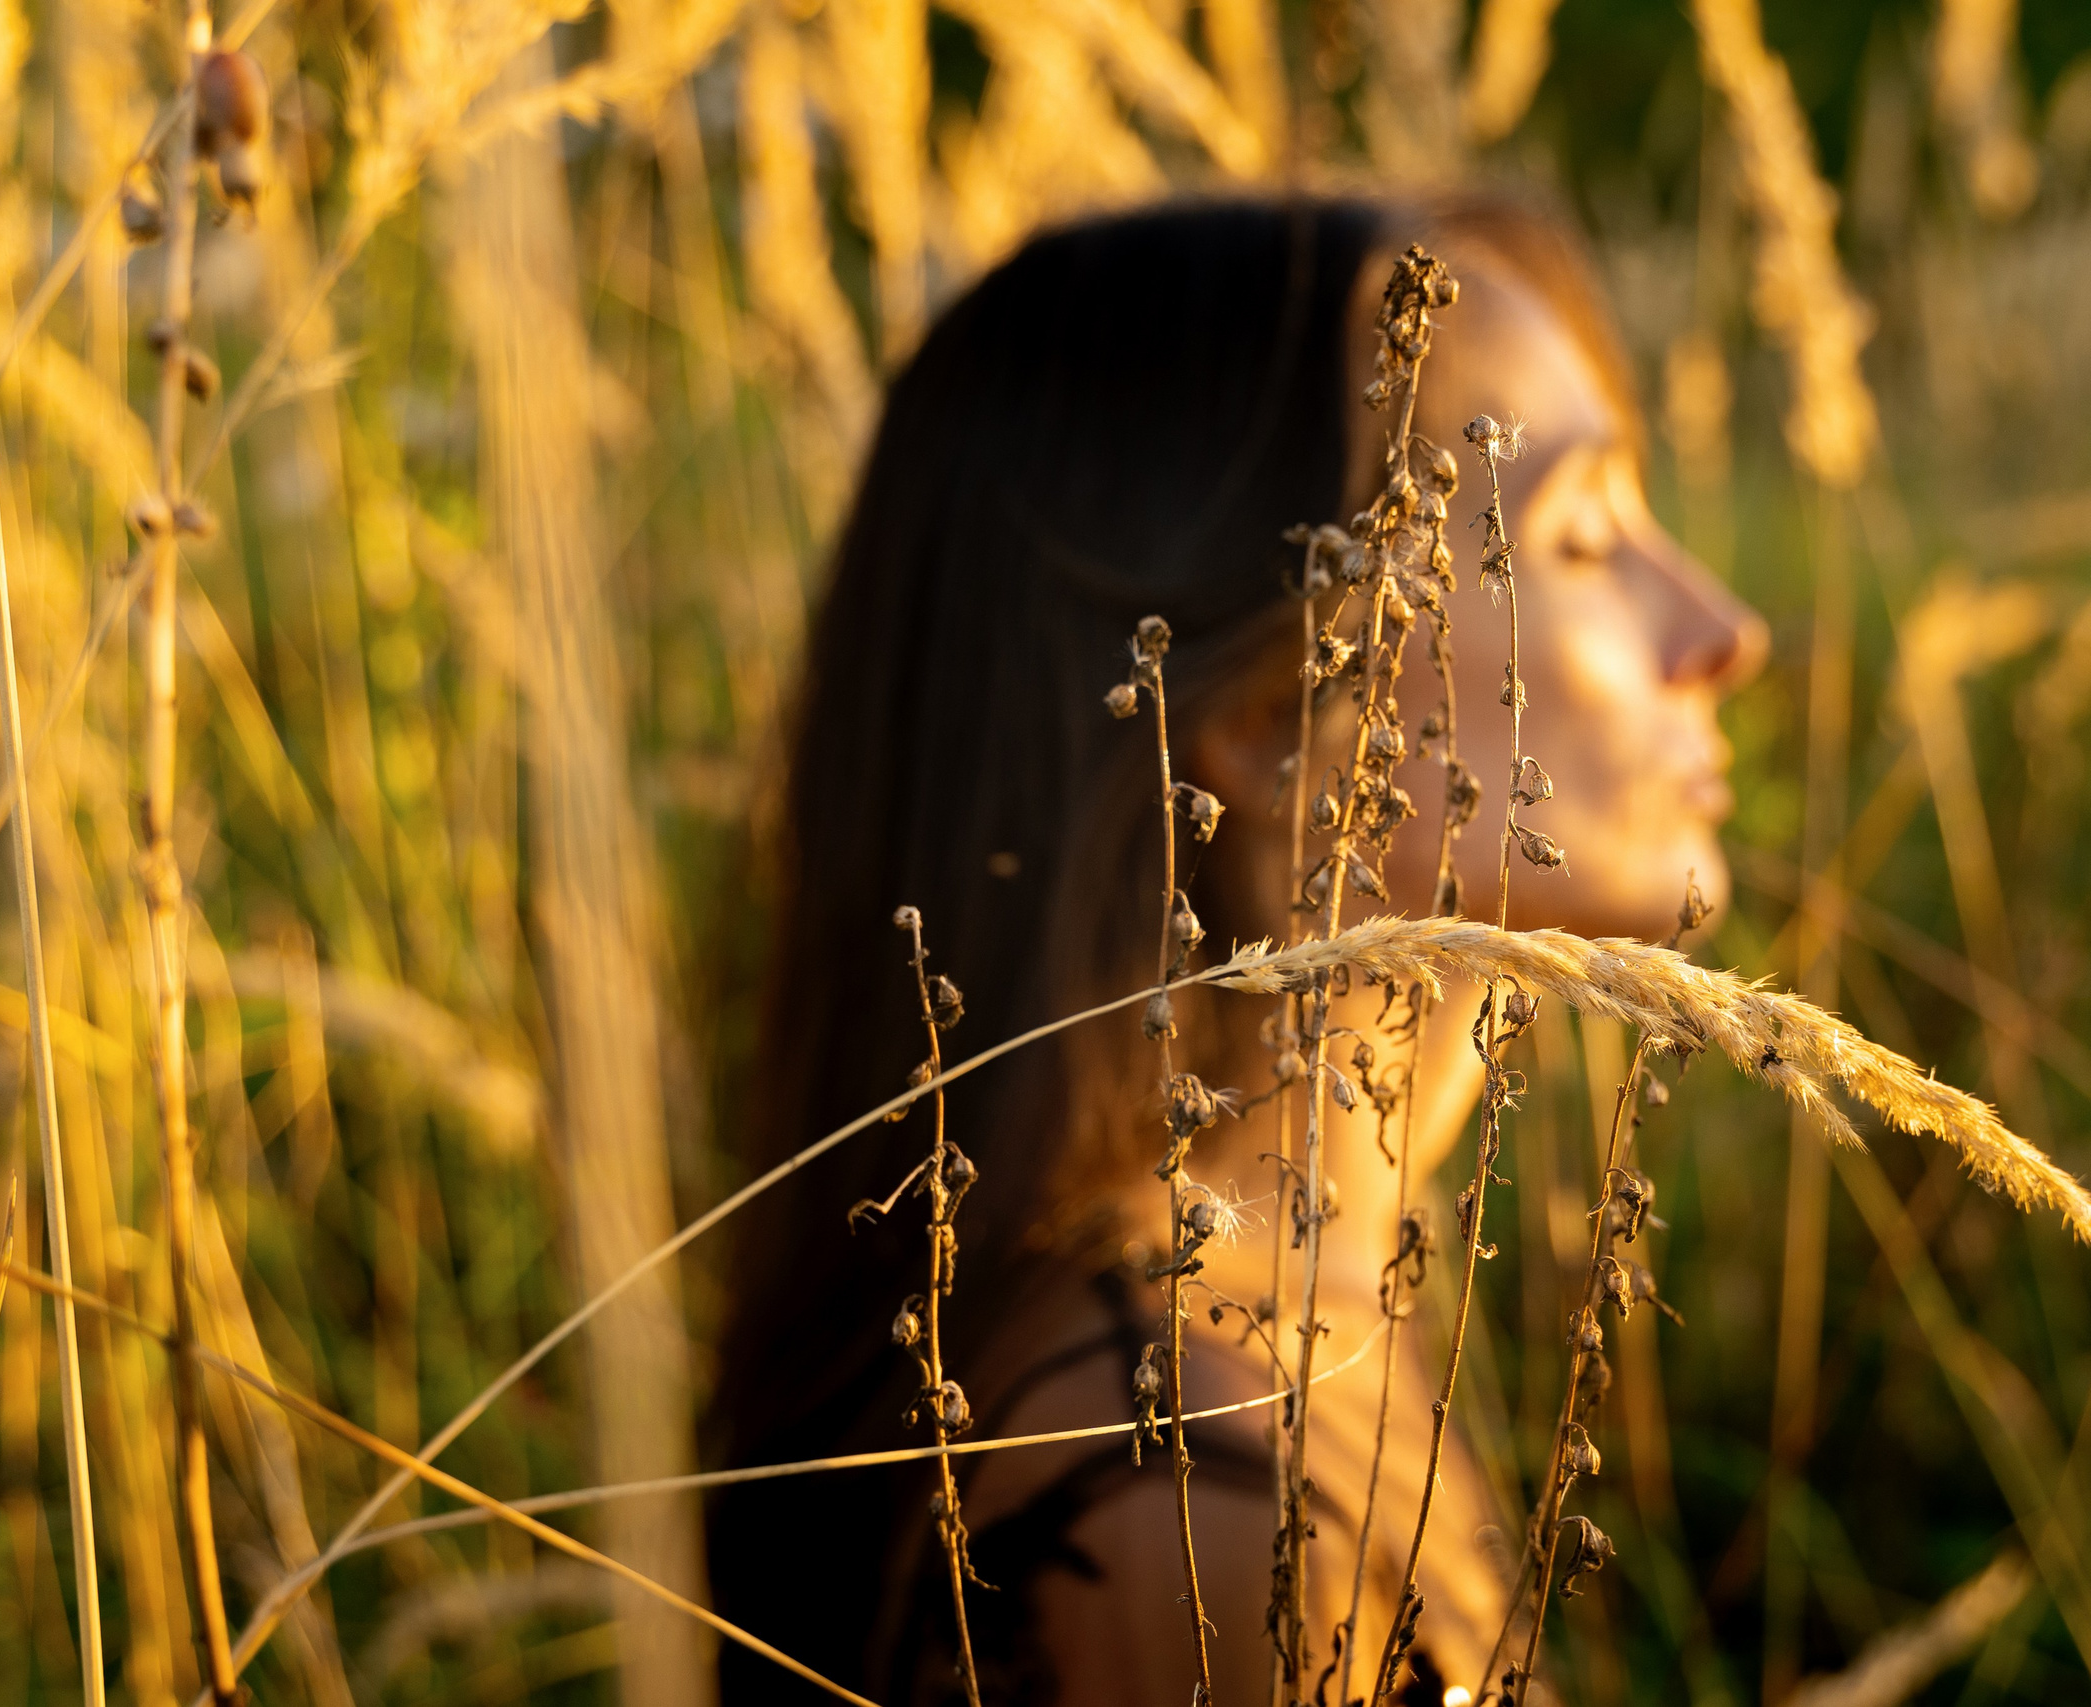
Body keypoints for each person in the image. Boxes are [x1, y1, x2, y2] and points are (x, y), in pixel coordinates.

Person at [707, 195, 1766, 1707]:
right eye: (1585, 537)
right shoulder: (1181, 1509)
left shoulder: (1294, 1315)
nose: (1722, 631)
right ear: (1281, 722)